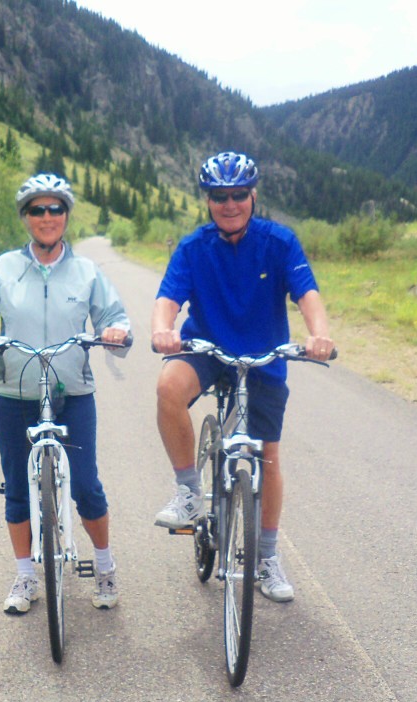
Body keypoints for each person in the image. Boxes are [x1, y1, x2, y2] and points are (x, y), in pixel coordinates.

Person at [150, 151, 334, 602]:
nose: (229, 204)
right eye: (219, 196)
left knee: (267, 455)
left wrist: (320, 335)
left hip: (263, 356)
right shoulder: (194, 247)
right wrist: (162, 329)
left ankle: (267, 556)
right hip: (208, 349)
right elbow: (168, 299)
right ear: (208, 200)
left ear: (253, 196)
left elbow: (306, 293)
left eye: (237, 195)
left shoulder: (279, 242)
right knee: (167, 387)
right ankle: (189, 492)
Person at [0, 173, 131, 614]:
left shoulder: (87, 271)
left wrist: (115, 332)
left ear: (67, 215)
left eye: (56, 208)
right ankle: (25, 577)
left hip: (72, 392)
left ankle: (105, 567)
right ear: (26, 218)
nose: (48, 217)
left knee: (87, 487)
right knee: (17, 489)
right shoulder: (4, 268)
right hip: (14, 394)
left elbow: (116, 317)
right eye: (38, 209)